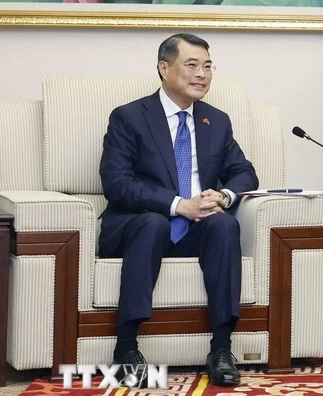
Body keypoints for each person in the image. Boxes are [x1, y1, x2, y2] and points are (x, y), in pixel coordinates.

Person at [98, 33, 258, 387]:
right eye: (192, 65)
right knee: (154, 222)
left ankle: (220, 348)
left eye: (207, 66)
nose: (202, 74)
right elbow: (117, 182)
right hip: (141, 226)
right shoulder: (130, 117)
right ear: (164, 68)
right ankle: (126, 347)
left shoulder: (215, 120)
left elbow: (244, 171)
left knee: (224, 227)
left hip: (196, 227)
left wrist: (223, 197)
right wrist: (178, 205)